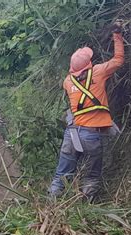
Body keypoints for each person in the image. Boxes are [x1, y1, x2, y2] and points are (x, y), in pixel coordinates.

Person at [49, 21, 125, 201]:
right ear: (89, 64)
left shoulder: (67, 82)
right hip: (92, 134)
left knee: (62, 173)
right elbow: (119, 60)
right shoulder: (98, 71)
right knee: (91, 175)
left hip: (72, 133)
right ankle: (87, 205)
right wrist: (117, 36)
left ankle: (51, 203)